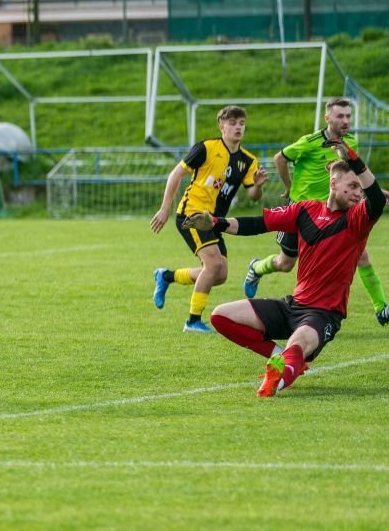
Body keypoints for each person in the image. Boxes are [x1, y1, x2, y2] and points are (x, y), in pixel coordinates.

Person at [182, 139, 385, 397]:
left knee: (298, 343)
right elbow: (258, 224)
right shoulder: (305, 210)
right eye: (353, 186)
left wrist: (353, 157)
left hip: (323, 315)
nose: (359, 192)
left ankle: (276, 378)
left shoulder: (357, 220)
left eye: (360, 187)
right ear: (333, 184)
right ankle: (283, 358)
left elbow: (377, 199)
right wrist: (214, 221)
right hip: (292, 306)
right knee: (220, 316)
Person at [244, 97, 389, 325]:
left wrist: (373, 191)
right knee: (286, 263)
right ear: (327, 118)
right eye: (340, 116)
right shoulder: (310, 142)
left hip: (333, 212)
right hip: (302, 213)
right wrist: (288, 187)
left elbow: (350, 174)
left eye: (348, 116)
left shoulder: (350, 142)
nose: (345, 121)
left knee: (361, 254)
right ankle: (257, 267)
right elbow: (279, 158)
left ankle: (381, 307)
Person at [150, 105, 268, 332]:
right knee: (213, 264)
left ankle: (166, 276)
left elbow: (253, 196)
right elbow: (176, 173)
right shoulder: (206, 147)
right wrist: (165, 208)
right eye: (232, 123)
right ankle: (193, 321)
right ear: (221, 126)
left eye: (241, 123)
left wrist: (259, 187)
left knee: (220, 274)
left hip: (214, 221)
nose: (238, 128)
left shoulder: (248, 160)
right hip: (192, 213)